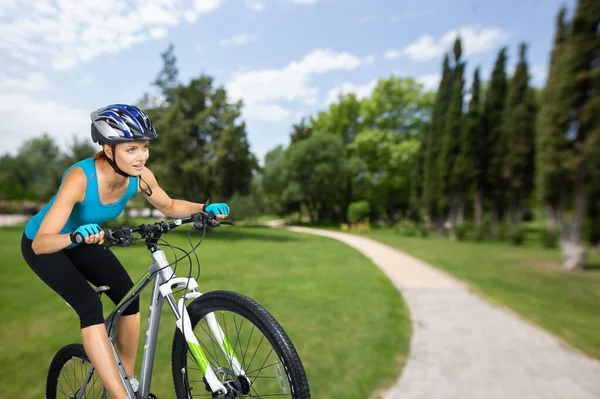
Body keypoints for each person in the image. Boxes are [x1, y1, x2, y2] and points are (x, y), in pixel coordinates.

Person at [20, 104, 230, 399]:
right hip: (45, 245)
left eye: (144, 147)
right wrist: (75, 235)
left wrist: (203, 208)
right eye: (131, 149)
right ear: (108, 150)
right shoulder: (81, 179)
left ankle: (126, 381)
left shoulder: (140, 176)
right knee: (91, 309)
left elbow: (168, 206)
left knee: (129, 300)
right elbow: (42, 242)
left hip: (85, 239)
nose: (141, 156)